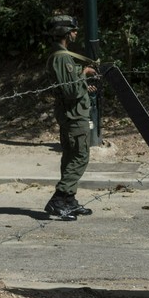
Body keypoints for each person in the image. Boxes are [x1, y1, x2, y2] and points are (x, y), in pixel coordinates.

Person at [43, 14, 98, 221]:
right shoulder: (62, 57)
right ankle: (58, 200)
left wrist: (84, 83)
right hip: (74, 116)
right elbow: (71, 91)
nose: (76, 33)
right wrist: (84, 72)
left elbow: (72, 86)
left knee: (70, 157)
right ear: (65, 32)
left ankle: (69, 200)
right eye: (73, 30)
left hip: (70, 114)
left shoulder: (61, 56)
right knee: (80, 156)